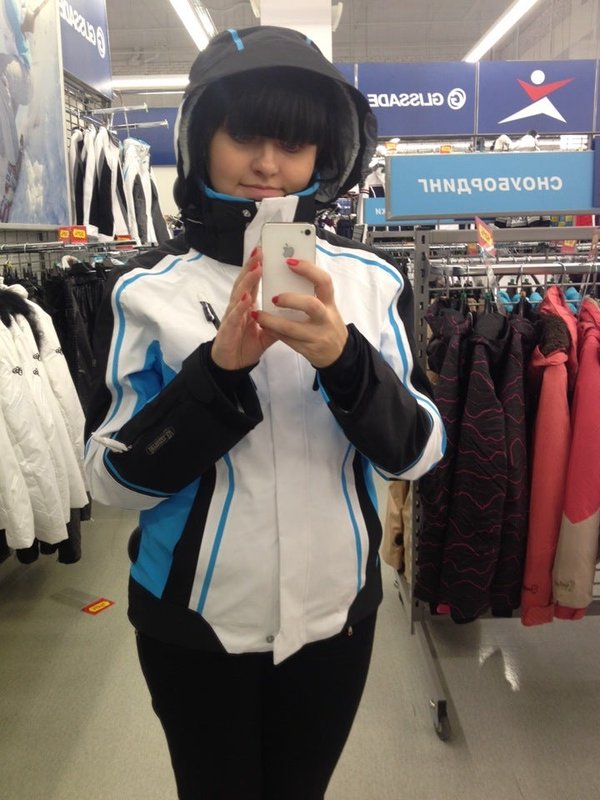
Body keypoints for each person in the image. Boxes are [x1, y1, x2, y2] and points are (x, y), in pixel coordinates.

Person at [84, 25, 445, 800]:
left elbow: (417, 452)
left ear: (327, 154)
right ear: (200, 140)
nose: (269, 165)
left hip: (336, 616)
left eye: (294, 143)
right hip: (193, 621)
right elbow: (110, 480)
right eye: (245, 136)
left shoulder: (373, 282)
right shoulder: (145, 290)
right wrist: (217, 373)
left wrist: (344, 359)